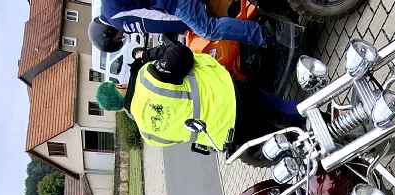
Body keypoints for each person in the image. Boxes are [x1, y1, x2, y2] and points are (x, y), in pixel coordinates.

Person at [94, 42, 304, 151]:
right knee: (281, 109)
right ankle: (325, 120)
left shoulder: (148, 135)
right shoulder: (145, 78)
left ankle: (319, 151)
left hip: (226, 135)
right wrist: (148, 55)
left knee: (282, 141)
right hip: (229, 98)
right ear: (120, 86)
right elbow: (181, 54)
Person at [89, 0, 285, 52]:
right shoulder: (108, 4)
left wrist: (185, 25)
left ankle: (264, 35)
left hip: (174, 2)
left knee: (208, 29)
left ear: (108, 33)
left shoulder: (117, 18)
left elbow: (154, 21)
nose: (123, 36)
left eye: (119, 37)